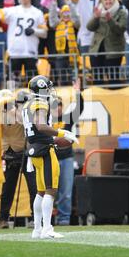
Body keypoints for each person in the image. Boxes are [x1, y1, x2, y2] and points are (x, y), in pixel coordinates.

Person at [23, 75, 79, 239]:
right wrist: (61, 133)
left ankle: (37, 229)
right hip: (45, 150)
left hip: (35, 149)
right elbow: (41, 126)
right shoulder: (40, 103)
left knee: (40, 192)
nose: (49, 90)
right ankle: (47, 229)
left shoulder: (27, 104)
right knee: (51, 190)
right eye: (47, 87)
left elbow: (32, 132)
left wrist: (54, 138)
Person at [0, 0, 48, 84]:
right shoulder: (12, 10)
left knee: (33, 80)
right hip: (14, 52)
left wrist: (34, 31)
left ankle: (36, 98)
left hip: (30, 52)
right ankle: (11, 98)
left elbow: (44, 33)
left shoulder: (38, 13)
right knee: (12, 81)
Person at [0, 90, 36, 229]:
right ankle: (2, 219)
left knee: (33, 187)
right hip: (9, 154)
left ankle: (35, 218)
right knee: (7, 189)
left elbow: (22, 118)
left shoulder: (20, 112)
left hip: (25, 153)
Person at [52, 79, 84, 226]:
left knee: (66, 191)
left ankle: (64, 218)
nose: (57, 108)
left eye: (59, 105)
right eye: (54, 105)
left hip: (66, 158)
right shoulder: (44, 120)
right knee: (51, 191)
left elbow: (79, 108)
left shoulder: (67, 118)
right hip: (51, 158)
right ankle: (50, 218)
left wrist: (78, 93)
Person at [87, 0, 127, 84]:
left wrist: (110, 20)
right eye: (106, 0)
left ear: (114, 0)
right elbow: (89, 27)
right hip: (97, 49)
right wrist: (96, 18)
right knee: (97, 79)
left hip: (113, 50)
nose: (108, 1)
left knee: (113, 79)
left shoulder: (121, 12)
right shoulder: (99, 11)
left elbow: (120, 29)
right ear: (102, 1)